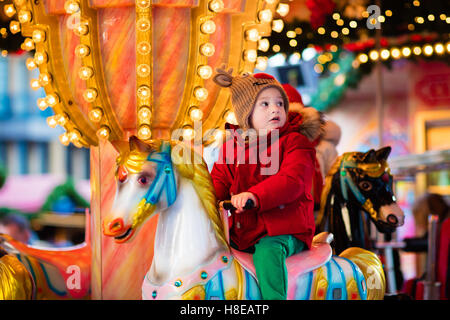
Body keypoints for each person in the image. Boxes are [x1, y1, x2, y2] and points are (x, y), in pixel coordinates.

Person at [211, 67, 316, 300]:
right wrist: (204, 200)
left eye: (280, 103)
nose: (276, 109)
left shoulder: (295, 142)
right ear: (246, 113)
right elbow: (218, 180)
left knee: (267, 252)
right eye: (265, 104)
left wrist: (254, 196)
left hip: (285, 228)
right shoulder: (232, 147)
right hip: (244, 231)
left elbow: (292, 181)